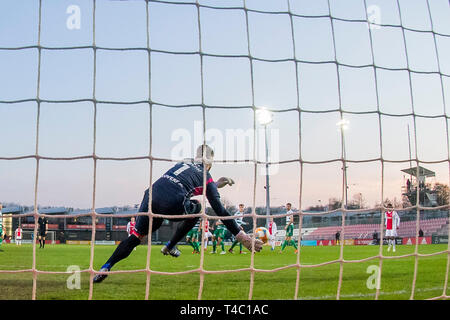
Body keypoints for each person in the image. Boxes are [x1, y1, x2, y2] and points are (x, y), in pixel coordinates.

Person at [94, 145, 263, 283]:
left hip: (151, 195)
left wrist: (218, 183)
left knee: (136, 237)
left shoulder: (184, 164)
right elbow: (221, 210)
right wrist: (242, 237)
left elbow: (196, 180)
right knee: (198, 209)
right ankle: (170, 245)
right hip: (173, 200)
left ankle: (106, 266)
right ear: (210, 164)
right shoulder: (206, 175)